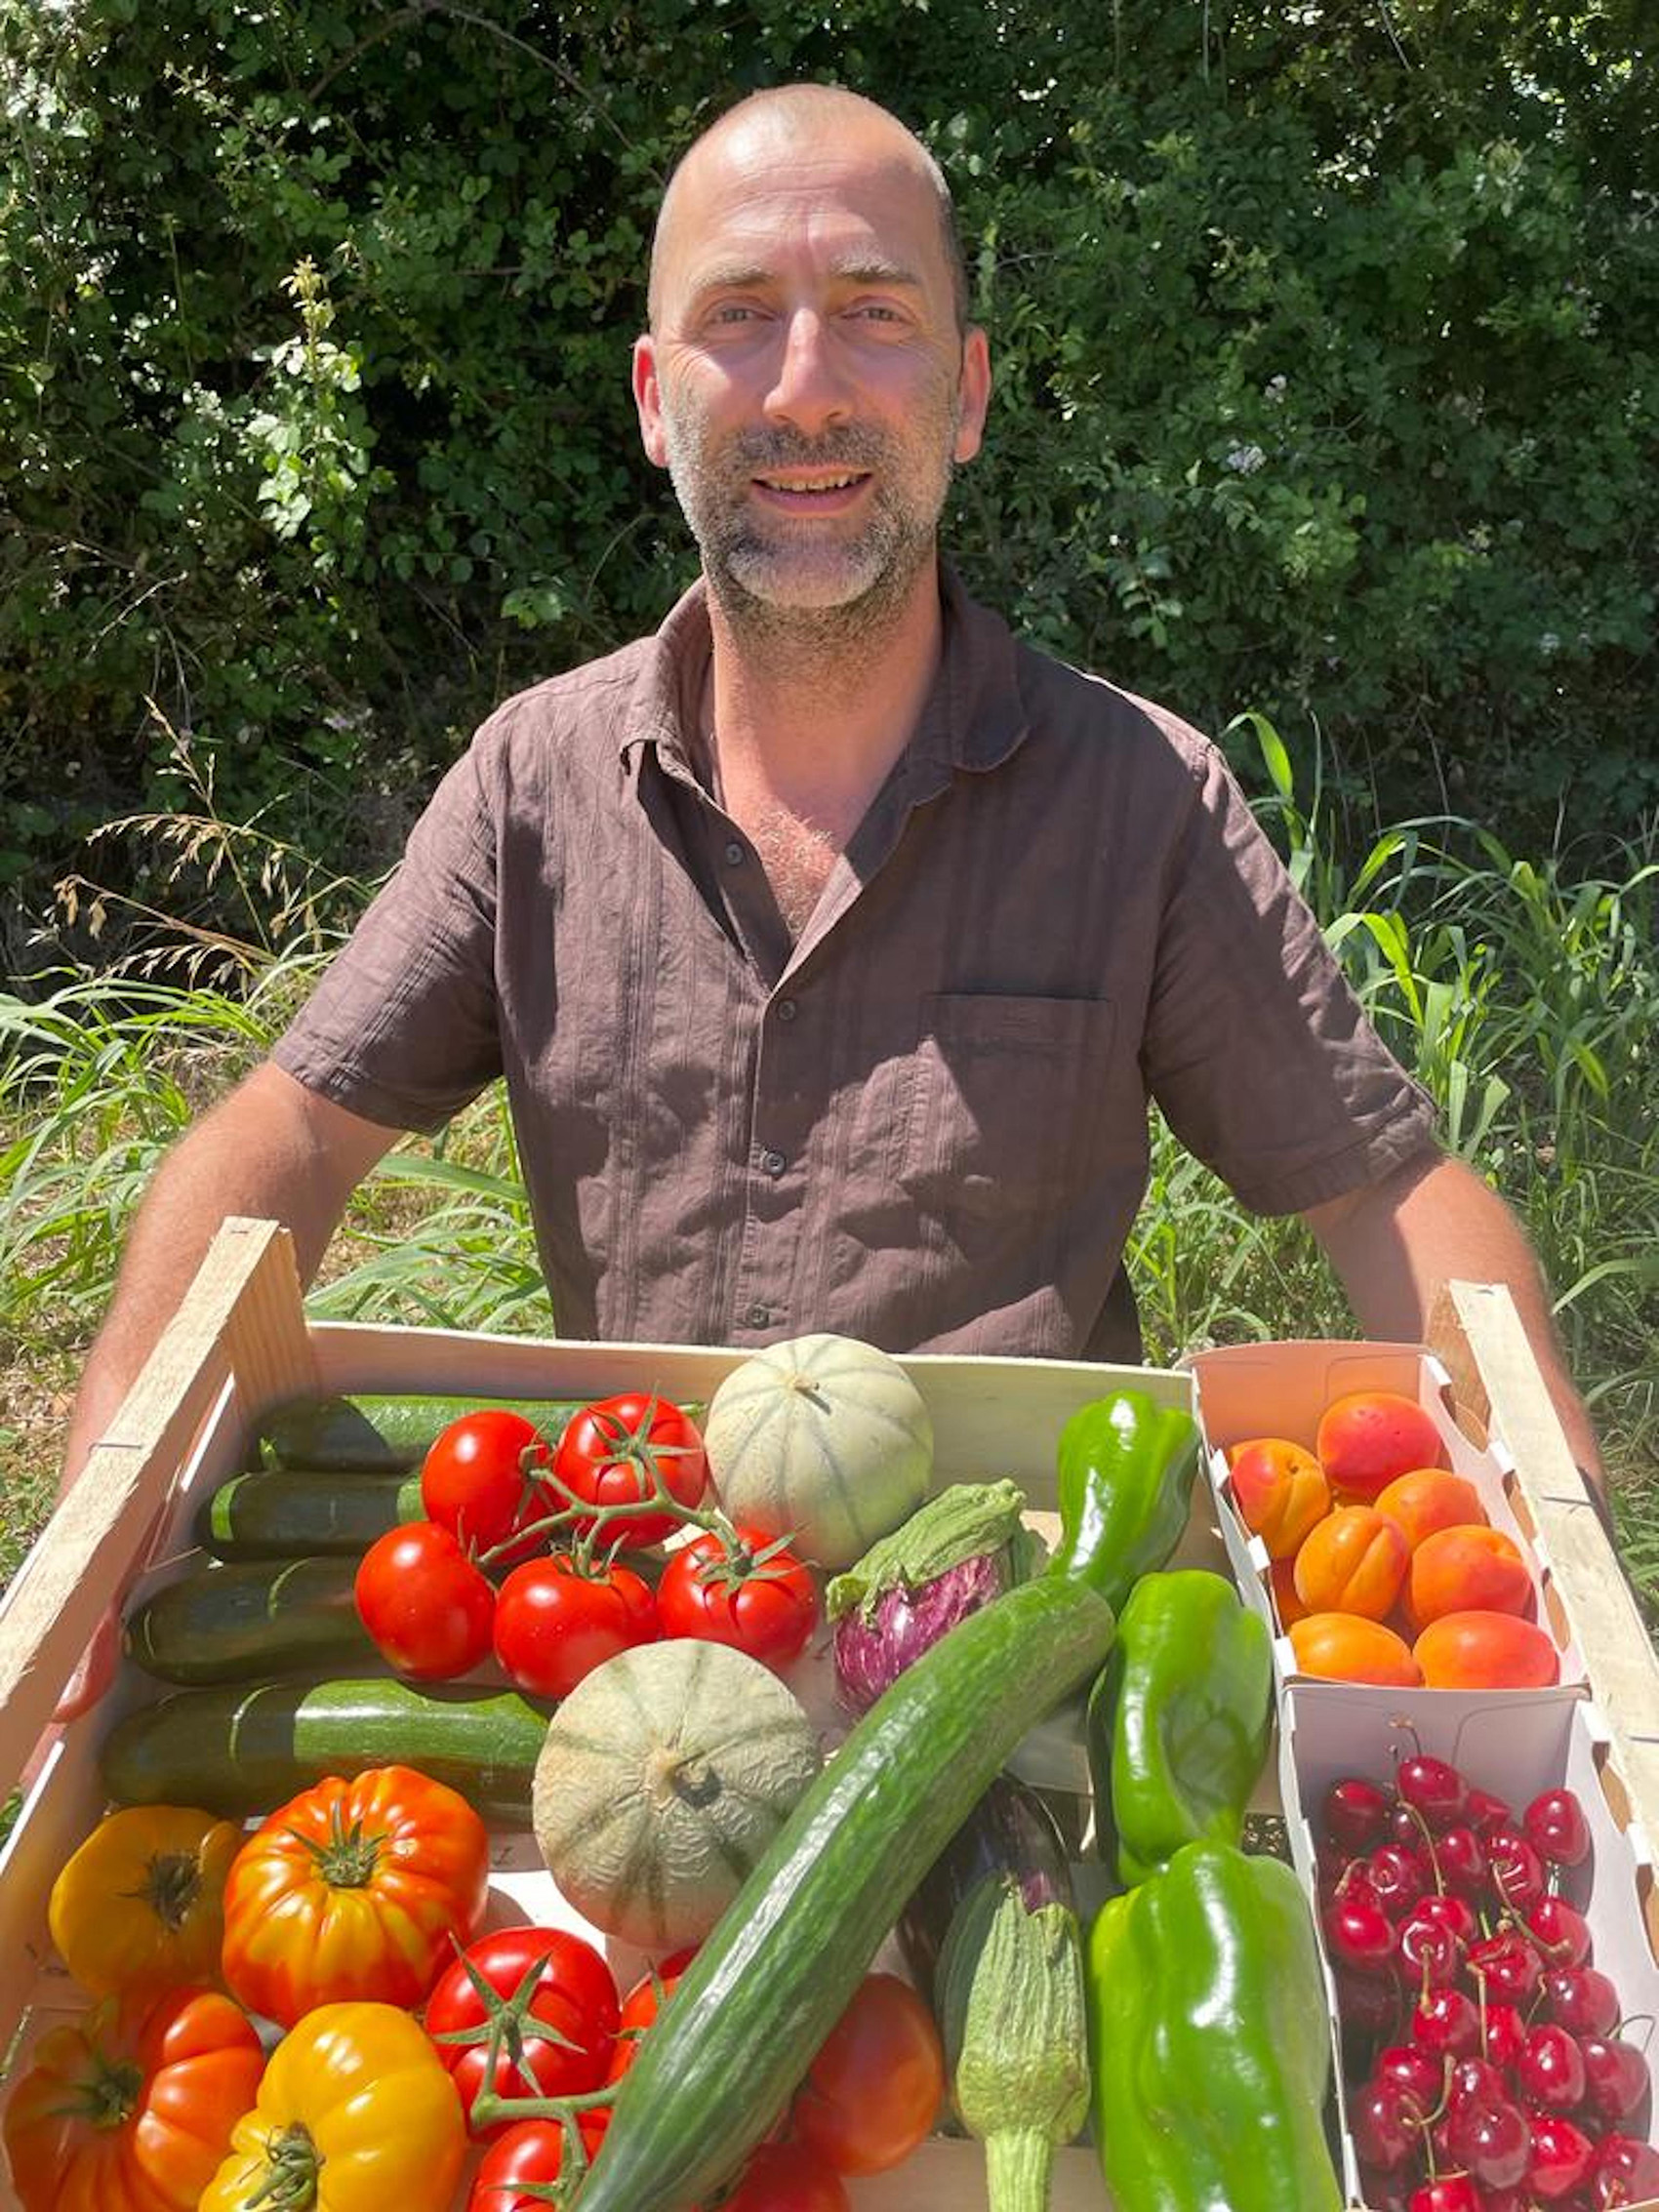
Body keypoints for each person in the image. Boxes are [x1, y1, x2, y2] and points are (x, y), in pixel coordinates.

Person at [59, 83, 1603, 1542]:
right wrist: (116, 1481)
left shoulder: (1138, 798)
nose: (805, 389)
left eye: (874, 314)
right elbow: (296, 1130)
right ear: (659, 401)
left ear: (966, 391)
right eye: (740, 318)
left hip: (1017, 1626)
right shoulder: (537, 781)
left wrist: (1551, 1530)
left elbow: (1387, 1186)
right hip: (638, 1605)